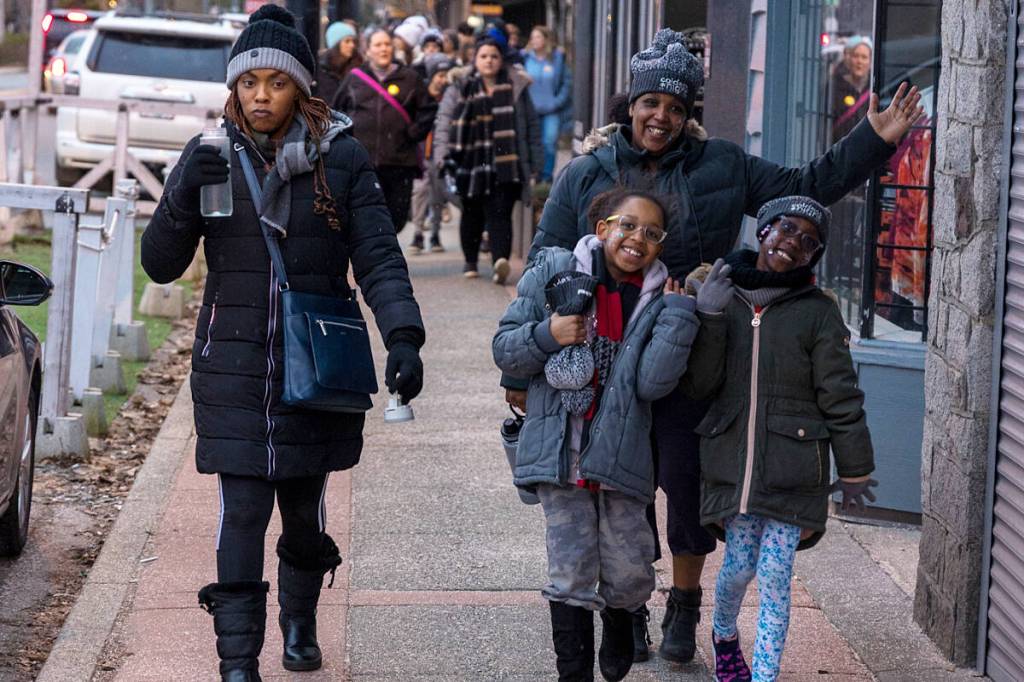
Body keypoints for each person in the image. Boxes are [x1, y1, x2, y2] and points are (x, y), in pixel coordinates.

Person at [514, 27, 921, 664]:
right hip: (604, 360)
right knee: (617, 486)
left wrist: (874, 139)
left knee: (686, 482)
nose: (661, 117)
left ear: (689, 113)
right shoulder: (587, 172)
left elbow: (804, 185)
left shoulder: (723, 164)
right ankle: (629, 604)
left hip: (696, 348)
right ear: (631, 103)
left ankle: (684, 602)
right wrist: (529, 362)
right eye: (651, 103)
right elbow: (545, 261)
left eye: (676, 107)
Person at [140, 7, 425, 680]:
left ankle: (300, 621)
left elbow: (379, 257)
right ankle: (237, 660)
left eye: (276, 83)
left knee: (301, 512)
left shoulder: (341, 158)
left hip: (315, 368)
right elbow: (160, 264)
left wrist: (404, 336)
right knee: (241, 511)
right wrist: (181, 193)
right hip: (233, 365)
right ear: (234, 88)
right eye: (249, 83)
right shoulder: (212, 158)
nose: (261, 96)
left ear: (301, 88)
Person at [492, 187, 721, 682]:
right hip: (561, 455)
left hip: (623, 458)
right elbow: (505, 348)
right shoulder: (554, 272)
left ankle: (620, 620)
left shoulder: (660, 300)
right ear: (602, 229)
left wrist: (680, 317)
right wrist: (548, 334)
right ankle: (573, 673)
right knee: (570, 570)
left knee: (629, 570)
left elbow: (652, 383)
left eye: (652, 233)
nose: (638, 238)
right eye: (628, 225)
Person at [680, 196, 877, 681]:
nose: (794, 243)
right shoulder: (722, 292)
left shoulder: (818, 311)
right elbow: (700, 385)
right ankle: (724, 635)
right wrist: (709, 317)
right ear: (764, 230)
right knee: (737, 568)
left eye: (809, 241)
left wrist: (855, 468)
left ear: (814, 256)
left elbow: (840, 394)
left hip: (795, 469)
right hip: (733, 463)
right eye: (787, 228)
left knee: (774, 574)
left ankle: (765, 675)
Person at [433, 35, 541, 283]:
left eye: (494, 56)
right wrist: (442, 156)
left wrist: (535, 163)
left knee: (500, 213)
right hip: (469, 163)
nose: (489, 61)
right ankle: (470, 261)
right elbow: (444, 122)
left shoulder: (515, 86)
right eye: (483, 56)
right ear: (475, 59)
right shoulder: (460, 86)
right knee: (471, 213)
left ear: (501, 60)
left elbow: (531, 126)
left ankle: (499, 262)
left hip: (507, 164)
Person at [332, 28, 437, 236]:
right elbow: (336, 112)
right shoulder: (355, 78)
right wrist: (347, 141)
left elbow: (428, 109)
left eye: (387, 44)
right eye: (378, 45)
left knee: (397, 217)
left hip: (400, 162)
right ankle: (377, 250)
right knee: (366, 216)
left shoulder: (409, 78)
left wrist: (414, 133)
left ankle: (385, 243)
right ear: (368, 50)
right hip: (363, 162)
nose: (383, 49)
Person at [409, 53, 455, 254]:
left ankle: (435, 234)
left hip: (440, 153)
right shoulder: (421, 94)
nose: (443, 80)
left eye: (446, 75)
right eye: (440, 75)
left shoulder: (450, 96)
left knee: (437, 195)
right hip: (421, 151)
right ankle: (417, 233)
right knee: (419, 192)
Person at [523, 25, 572, 182]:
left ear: (546, 39)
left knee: (549, 142)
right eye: (532, 37)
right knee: (532, 143)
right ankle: (535, 174)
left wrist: (557, 102)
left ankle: (546, 176)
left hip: (552, 110)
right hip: (531, 109)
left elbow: (567, 82)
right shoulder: (525, 57)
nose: (534, 40)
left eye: (538, 37)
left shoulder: (557, 58)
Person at [830, 35, 873, 142]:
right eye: (856, 56)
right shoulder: (834, 86)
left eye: (864, 57)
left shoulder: (875, 88)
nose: (859, 61)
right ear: (849, 60)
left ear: (870, 62)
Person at [315, 20, 362, 106]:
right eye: (347, 41)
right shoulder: (322, 66)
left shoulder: (359, 64)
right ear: (336, 44)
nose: (352, 45)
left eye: (353, 41)